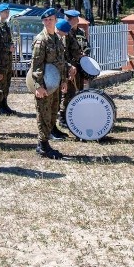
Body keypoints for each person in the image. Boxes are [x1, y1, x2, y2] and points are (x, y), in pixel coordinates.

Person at [30, 10, 75, 159]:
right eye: (46, 20)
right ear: (43, 22)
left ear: (56, 20)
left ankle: (43, 143)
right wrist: (38, 86)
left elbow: (60, 62)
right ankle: (43, 145)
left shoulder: (56, 39)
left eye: (51, 19)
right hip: (44, 85)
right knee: (43, 114)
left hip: (54, 84)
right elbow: (36, 65)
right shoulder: (41, 40)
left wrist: (63, 81)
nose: (48, 21)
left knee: (52, 113)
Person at [56, 10, 90, 136]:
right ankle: (63, 117)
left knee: (78, 91)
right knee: (69, 93)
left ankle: (74, 114)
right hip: (71, 68)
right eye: (76, 18)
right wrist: (70, 67)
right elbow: (64, 53)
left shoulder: (80, 32)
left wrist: (85, 54)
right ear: (71, 19)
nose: (78, 19)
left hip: (79, 67)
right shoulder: (66, 32)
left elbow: (86, 45)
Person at [0, 4, 15, 114]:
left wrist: (12, 45)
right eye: (5, 11)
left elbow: (9, 40)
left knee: (7, 83)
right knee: (1, 84)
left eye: (8, 11)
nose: (7, 13)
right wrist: (8, 47)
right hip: (1, 60)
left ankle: (4, 104)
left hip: (7, 59)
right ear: (0, 12)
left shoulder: (6, 25)